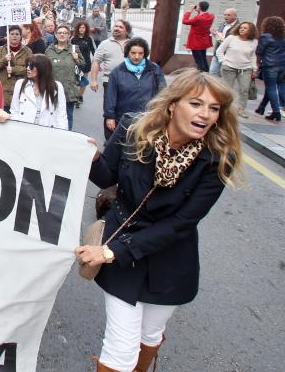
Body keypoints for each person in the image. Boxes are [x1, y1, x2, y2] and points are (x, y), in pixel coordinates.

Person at [76, 68, 240, 372]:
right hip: (122, 253)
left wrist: (110, 252)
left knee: (150, 334)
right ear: (172, 104)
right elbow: (106, 177)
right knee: (120, 349)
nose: (205, 114)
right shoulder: (131, 129)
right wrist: (94, 157)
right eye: (196, 103)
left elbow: (181, 223)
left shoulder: (218, 158)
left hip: (170, 260)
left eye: (214, 108)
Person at [103, 38, 166, 139]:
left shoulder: (154, 70)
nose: (137, 57)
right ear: (127, 53)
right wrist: (110, 116)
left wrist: (161, 114)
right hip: (125, 120)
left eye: (140, 53)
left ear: (145, 54)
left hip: (148, 119)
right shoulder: (117, 72)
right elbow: (110, 96)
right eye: (133, 53)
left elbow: (163, 93)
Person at [91, 20, 132, 140]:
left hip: (130, 83)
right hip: (109, 82)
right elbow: (96, 62)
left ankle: (125, 136)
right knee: (110, 109)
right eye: (116, 26)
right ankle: (109, 139)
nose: (117, 28)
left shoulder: (133, 43)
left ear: (127, 31)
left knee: (127, 109)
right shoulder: (104, 44)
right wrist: (93, 80)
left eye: (120, 27)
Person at [5, 54, 67, 128]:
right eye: (27, 65)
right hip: (25, 130)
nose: (28, 68)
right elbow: (14, 110)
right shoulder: (20, 84)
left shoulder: (57, 87)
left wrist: (62, 135)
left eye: (31, 66)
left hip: (47, 132)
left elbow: (62, 115)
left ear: (42, 68)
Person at [45, 23, 84, 130]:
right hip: (53, 88)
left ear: (69, 35)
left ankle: (67, 136)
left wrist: (76, 59)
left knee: (68, 116)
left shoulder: (74, 49)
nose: (62, 35)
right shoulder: (49, 50)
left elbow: (82, 65)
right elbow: (44, 68)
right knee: (51, 114)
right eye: (60, 33)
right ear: (56, 35)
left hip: (69, 88)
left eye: (65, 33)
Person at [215, 21, 258, 118]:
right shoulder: (231, 38)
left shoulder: (254, 41)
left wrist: (254, 68)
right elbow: (219, 51)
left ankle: (241, 109)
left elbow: (253, 56)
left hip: (246, 68)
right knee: (227, 89)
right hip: (229, 67)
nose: (242, 29)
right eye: (241, 27)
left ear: (251, 30)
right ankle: (224, 109)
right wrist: (223, 62)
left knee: (244, 89)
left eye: (245, 28)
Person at [254, 16, 285, 122]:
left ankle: (276, 112)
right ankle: (261, 107)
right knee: (271, 88)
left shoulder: (266, 36)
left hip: (270, 65)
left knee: (270, 88)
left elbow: (259, 51)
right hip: (283, 66)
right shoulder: (283, 37)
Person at [0, 25, 32, 114]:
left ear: (20, 36)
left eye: (17, 34)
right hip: (4, 92)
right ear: (8, 36)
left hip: (21, 92)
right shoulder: (1, 49)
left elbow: (31, 70)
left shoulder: (27, 51)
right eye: (12, 34)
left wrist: (14, 70)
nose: (14, 36)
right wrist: (4, 60)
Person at [182, 1, 215, 72]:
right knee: (203, 59)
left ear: (200, 7)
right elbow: (200, 18)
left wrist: (189, 11)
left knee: (199, 61)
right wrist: (198, 11)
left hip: (196, 42)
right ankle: (207, 74)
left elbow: (184, 21)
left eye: (198, 6)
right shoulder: (211, 16)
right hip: (204, 41)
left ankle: (202, 76)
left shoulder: (198, 19)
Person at [72, 20, 97, 106]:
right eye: (80, 27)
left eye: (83, 27)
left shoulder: (89, 39)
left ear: (86, 29)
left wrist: (97, 61)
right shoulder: (73, 39)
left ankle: (80, 96)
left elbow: (93, 50)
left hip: (86, 63)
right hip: (75, 63)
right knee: (75, 81)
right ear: (77, 29)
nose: (81, 29)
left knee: (83, 81)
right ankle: (75, 95)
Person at [209, 8, 239, 75]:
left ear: (235, 16)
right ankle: (214, 85)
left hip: (229, 55)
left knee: (226, 75)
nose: (225, 17)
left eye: (228, 15)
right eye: (225, 15)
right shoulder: (222, 24)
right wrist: (215, 34)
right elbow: (219, 37)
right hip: (218, 52)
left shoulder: (239, 27)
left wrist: (221, 38)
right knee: (212, 72)